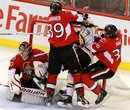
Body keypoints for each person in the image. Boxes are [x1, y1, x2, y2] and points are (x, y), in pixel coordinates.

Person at [45, 1, 88, 106]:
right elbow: (80, 19)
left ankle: (49, 96)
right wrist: (81, 15)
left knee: (52, 73)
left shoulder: (49, 18)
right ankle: (80, 96)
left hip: (54, 50)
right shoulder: (65, 14)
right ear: (60, 9)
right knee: (76, 72)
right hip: (66, 49)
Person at [81, 24, 122, 105]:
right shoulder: (119, 37)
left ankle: (101, 92)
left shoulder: (106, 41)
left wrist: (96, 39)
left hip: (109, 68)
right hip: (105, 63)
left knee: (86, 78)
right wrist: (102, 37)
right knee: (83, 72)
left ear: (110, 34)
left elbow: (92, 48)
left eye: (106, 33)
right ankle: (75, 92)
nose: (104, 33)